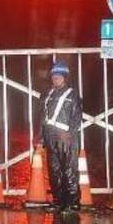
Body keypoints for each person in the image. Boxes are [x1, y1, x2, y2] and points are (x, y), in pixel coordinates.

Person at [37, 61, 83, 212]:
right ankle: (58, 201)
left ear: (65, 77)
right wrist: (41, 138)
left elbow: (76, 117)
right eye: (53, 76)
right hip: (51, 139)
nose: (55, 78)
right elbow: (43, 118)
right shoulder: (48, 95)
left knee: (69, 170)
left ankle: (72, 202)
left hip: (66, 139)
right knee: (54, 170)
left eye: (58, 76)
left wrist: (70, 135)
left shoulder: (72, 94)